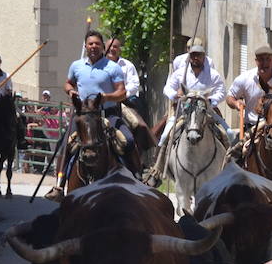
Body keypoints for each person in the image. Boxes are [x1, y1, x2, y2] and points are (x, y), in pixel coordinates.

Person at [47, 30, 130, 200]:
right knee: (64, 145)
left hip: (107, 113)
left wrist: (106, 97)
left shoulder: (112, 67)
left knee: (127, 140)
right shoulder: (76, 66)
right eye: (90, 43)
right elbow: (68, 83)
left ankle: (136, 178)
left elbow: (122, 93)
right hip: (84, 115)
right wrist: (70, 91)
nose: (94, 46)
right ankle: (59, 185)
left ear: (102, 46)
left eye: (97, 44)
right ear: (85, 46)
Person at [144, 40, 228, 185]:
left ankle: (229, 169)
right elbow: (167, 88)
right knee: (165, 135)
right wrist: (175, 95)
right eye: (193, 55)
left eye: (199, 55)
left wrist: (211, 100)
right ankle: (156, 170)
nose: (196, 58)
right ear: (189, 56)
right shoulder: (180, 74)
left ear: (204, 56)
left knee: (228, 133)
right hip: (184, 112)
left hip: (206, 111)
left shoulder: (213, 74)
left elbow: (222, 91)